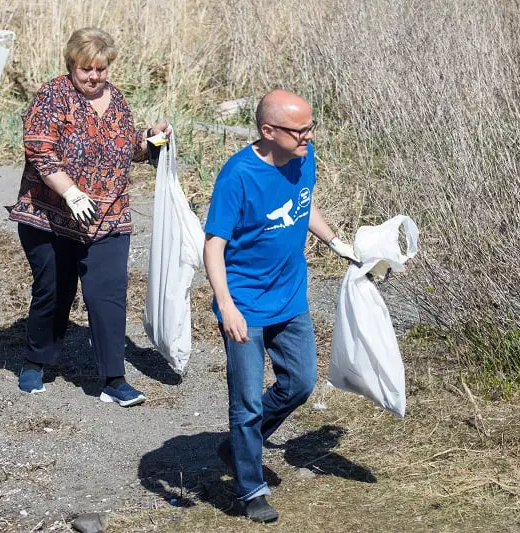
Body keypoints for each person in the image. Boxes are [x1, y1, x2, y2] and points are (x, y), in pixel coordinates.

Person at [203, 90, 360, 522]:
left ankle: (240, 444)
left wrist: (337, 243)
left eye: (311, 127)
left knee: (300, 384)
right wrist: (226, 306)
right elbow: (213, 246)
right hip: (246, 306)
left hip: (290, 298)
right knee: (247, 403)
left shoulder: (302, 157)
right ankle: (251, 489)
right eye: (300, 130)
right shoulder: (237, 176)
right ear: (269, 131)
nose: (309, 136)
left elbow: (302, 205)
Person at [6, 27, 170, 406]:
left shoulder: (118, 100)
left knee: (108, 295)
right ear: (72, 65)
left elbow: (129, 148)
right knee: (54, 290)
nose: (94, 76)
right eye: (86, 69)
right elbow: (40, 151)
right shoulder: (53, 96)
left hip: (109, 215)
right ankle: (35, 361)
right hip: (50, 216)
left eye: (101, 69)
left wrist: (153, 139)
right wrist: (71, 192)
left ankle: (114, 379)